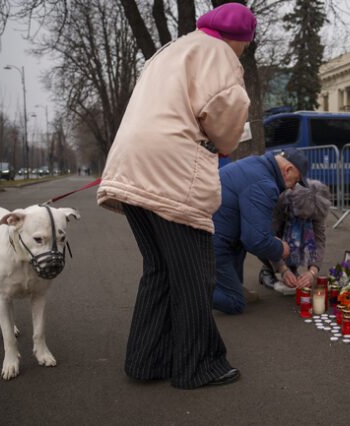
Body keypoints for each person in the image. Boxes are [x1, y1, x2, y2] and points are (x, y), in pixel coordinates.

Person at [96, 3, 256, 389]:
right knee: (195, 275)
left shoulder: (170, 50)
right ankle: (198, 365)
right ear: (242, 40)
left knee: (159, 270)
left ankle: (146, 359)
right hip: (171, 169)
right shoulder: (219, 54)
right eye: (245, 47)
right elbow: (225, 113)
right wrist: (227, 140)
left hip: (130, 162)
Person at [212, 148, 309, 314]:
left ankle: (231, 285)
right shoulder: (265, 185)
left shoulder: (256, 165)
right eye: (296, 181)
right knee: (235, 303)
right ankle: (187, 292)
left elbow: (256, 228)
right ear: (288, 170)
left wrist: (282, 269)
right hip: (211, 240)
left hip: (214, 230)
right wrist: (281, 249)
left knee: (241, 242)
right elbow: (255, 240)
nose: (293, 187)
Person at [258, 178, 331, 294]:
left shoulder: (318, 205)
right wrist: (282, 269)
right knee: (269, 242)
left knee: (301, 236)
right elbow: (269, 237)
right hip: (273, 228)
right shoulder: (281, 199)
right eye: (303, 214)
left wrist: (312, 271)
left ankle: (292, 268)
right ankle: (268, 270)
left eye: (309, 216)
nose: (305, 218)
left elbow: (319, 240)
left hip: (293, 230)